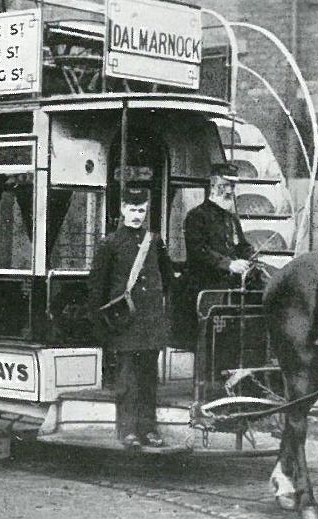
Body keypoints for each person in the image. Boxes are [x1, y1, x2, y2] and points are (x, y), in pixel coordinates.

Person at [87, 188, 173, 449]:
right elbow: (97, 288)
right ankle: (127, 431)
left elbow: (168, 279)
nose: (137, 215)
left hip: (150, 324)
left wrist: (162, 316)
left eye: (142, 210)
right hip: (124, 324)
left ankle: (148, 430)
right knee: (127, 380)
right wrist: (103, 327)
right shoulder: (110, 244)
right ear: (122, 209)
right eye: (133, 210)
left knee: (148, 380)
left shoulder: (154, 242)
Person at [176, 162, 255, 347]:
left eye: (232, 186)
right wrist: (228, 264)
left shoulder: (231, 219)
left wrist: (250, 258)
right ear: (213, 186)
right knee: (208, 342)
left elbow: (242, 245)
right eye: (226, 185)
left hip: (230, 290)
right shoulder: (197, 216)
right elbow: (198, 250)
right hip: (205, 289)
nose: (230, 191)